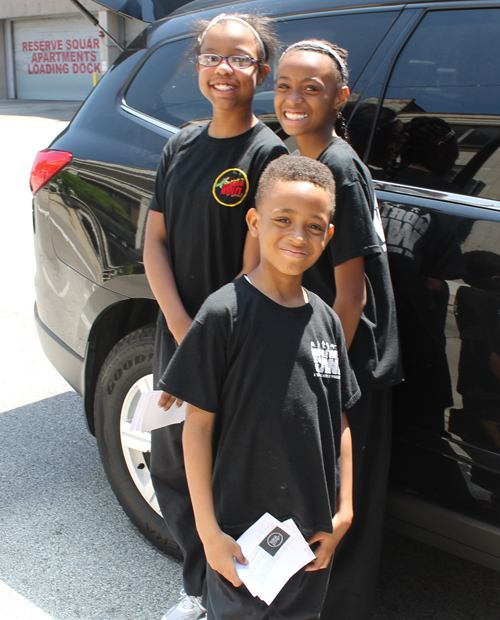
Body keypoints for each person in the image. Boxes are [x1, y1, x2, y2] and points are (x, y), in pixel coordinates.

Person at [158, 154, 360, 620]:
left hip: (310, 531)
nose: (297, 235)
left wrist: (344, 511)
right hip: (240, 532)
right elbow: (197, 429)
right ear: (254, 221)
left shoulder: (326, 320)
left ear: (329, 236)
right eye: (283, 219)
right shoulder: (224, 313)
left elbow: (342, 421)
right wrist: (208, 532)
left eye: (314, 226)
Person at [143, 13, 287, 620]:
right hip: (176, 333)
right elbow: (154, 240)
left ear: (261, 69)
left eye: (239, 58)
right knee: (172, 462)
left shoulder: (267, 154)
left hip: (232, 341)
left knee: (223, 473)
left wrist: (203, 336)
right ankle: (198, 587)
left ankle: (232, 596)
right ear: (197, 64)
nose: (224, 69)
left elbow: (256, 269)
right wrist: (180, 327)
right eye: (212, 56)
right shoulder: (180, 143)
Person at [275, 40, 403, 620]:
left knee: (343, 510)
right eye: (284, 86)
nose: (295, 99)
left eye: (313, 88)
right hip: (320, 353)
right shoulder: (294, 155)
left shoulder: (339, 165)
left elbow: (351, 291)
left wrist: (326, 379)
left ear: (341, 96)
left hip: (347, 362)